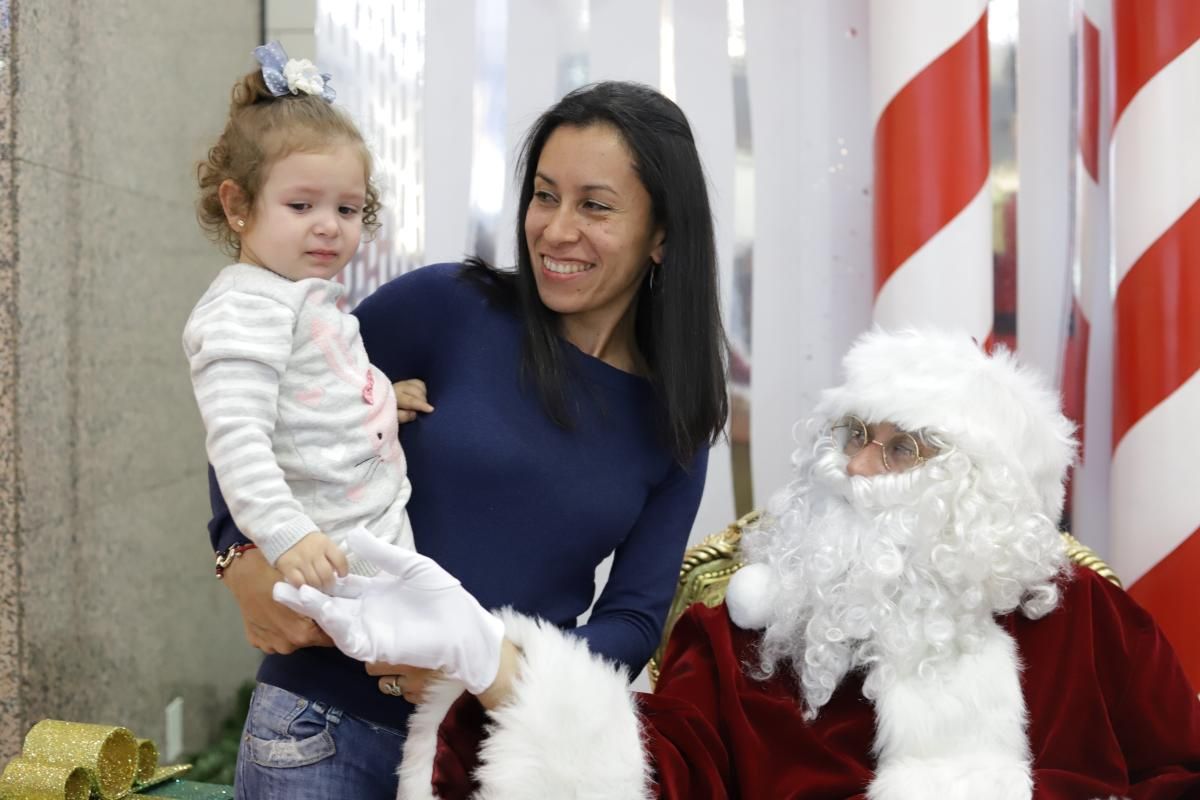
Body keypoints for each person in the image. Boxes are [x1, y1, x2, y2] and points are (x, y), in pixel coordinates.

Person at [277, 328, 1200, 800]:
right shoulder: (752, 638)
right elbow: (654, 773)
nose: (858, 468)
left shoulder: (1088, 625)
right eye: (852, 436)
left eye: (903, 448)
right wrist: (495, 664)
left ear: (987, 488)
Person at [208, 79, 729, 799]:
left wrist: (487, 664)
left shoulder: (677, 419)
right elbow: (263, 409)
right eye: (545, 196)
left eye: (595, 206)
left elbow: (634, 620)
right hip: (321, 721)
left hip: (491, 760)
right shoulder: (446, 306)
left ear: (663, 234)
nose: (555, 229)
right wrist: (237, 552)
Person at [186, 41, 415, 595]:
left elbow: (312, 388)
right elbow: (238, 440)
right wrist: (287, 536)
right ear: (239, 205)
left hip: (370, 530)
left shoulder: (299, 293)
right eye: (301, 205)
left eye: (346, 208)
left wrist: (379, 397)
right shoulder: (244, 307)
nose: (329, 226)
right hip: (330, 551)